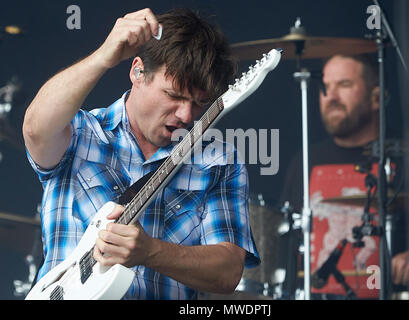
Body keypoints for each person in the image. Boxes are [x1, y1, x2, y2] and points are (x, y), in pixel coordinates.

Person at [22, 8, 259, 300]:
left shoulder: (219, 161)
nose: (186, 114)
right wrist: (104, 55)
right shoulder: (80, 133)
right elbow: (35, 129)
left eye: (199, 104)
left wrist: (151, 252)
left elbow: (227, 273)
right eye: (174, 95)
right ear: (138, 71)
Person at [281, 53, 409, 299]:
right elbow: (285, 247)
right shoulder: (304, 161)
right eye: (325, 87)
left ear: (376, 97)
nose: (331, 97)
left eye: (344, 85)